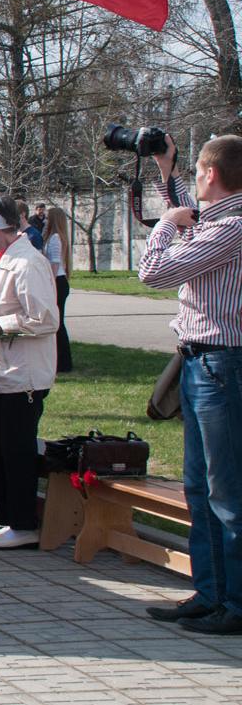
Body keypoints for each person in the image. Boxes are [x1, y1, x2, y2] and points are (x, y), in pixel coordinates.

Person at [138, 134, 242, 635]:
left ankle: (235, 603)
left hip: (224, 366)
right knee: (200, 488)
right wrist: (167, 170)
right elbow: (192, 220)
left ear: (211, 175)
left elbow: (155, 271)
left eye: (197, 173)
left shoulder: (235, 228)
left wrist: (163, 225)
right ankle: (211, 593)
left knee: (227, 492)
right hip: (205, 365)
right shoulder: (221, 221)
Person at [0, 195, 58, 550]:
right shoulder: (4, 260)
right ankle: (9, 518)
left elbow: (46, 319)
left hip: (22, 377)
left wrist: (0, 326)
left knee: (17, 451)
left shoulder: (28, 263)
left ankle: (23, 522)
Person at [42, 206, 74, 372]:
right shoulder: (54, 236)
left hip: (57, 282)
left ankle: (63, 362)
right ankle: (61, 361)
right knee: (58, 322)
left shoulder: (55, 238)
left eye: (47, 218)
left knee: (57, 323)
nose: (45, 220)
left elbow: (54, 265)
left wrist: (48, 285)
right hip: (58, 281)